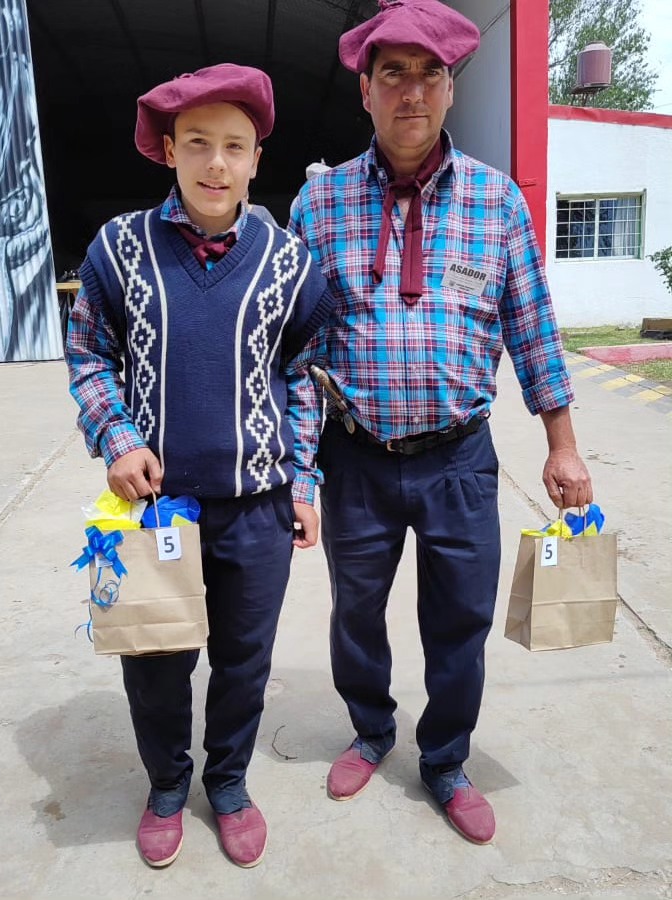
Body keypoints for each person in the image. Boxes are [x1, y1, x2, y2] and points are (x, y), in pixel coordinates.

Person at [288, 0, 593, 846]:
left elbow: (533, 329)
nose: (413, 91)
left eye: (431, 74)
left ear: (451, 89)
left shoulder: (497, 203)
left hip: (459, 460)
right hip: (356, 457)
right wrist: (301, 472)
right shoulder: (319, 205)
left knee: (460, 618)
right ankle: (371, 730)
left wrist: (563, 447)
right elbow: (298, 353)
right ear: (366, 90)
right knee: (356, 611)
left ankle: (447, 759)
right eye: (394, 74)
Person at [65, 64, 334, 869]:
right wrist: (117, 436)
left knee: (244, 661)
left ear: (256, 160)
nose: (216, 164)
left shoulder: (290, 263)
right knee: (156, 658)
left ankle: (228, 782)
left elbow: (307, 377)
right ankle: (165, 784)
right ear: (169, 151)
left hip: (258, 506)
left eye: (234, 146)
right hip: (160, 509)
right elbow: (89, 350)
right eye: (198, 144)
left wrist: (305, 482)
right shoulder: (119, 250)